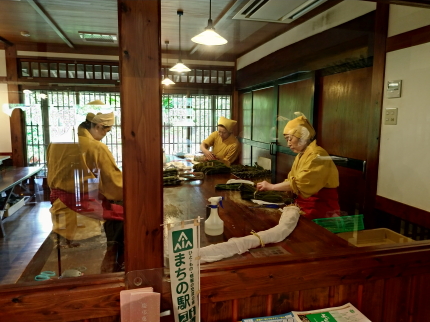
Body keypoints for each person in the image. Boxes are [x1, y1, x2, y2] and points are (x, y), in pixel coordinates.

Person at [47, 108, 124, 263]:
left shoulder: (56, 142)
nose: (104, 136)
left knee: (66, 263)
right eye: (106, 132)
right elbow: (114, 185)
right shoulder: (95, 147)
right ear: (98, 127)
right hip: (84, 216)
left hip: (59, 209)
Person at [256, 113, 340, 219]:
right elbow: (292, 179)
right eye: (287, 140)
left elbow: (300, 183)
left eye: (290, 139)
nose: (288, 144)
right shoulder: (302, 154)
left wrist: (272, 187)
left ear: (302, 137)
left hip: (320, 208)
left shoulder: (317, 154)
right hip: (305, 205)